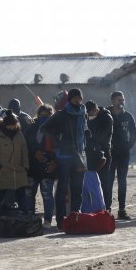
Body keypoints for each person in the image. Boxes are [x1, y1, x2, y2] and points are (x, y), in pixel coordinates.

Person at [41, 88, 88, 230]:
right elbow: (45, 128)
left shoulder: (83, 113)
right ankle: (61, 220)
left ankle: (75, 216)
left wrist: (87, 134)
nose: (78, 100)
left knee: (77, 188)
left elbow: (83, 129)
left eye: (80, 98)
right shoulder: (62, 114)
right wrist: (59, 138)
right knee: (62, 189)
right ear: (70, 99)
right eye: (75, 98)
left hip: (80, 154)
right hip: (65, 156)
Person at [0, 109, 29, 213]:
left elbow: (24, 151)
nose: (12, 127)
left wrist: (25, 167)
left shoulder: (19, 134)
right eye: (10, 125)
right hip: (2, 175)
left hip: (18, 174)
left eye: (14, 125)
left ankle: (26, 220)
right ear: (5, 125)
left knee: (22, 201)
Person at [24, 104, 57, 229]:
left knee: (47, 194)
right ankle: (31, 218)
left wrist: (55, 161)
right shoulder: (32, 127)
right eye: (42, 115)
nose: (44, 117)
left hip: (49, 167)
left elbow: (59, 146)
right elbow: (26, 143)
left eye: (47, 115)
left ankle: (47, 220)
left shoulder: (55, 128)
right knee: (29, 194)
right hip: (32, 167)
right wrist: (34, 152)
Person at [107, 91, 136, 220]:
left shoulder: (128, 116)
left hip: (123, 154)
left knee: (122, 182)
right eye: (119, 100)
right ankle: (107, 209)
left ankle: (122, 209)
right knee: (108, 182)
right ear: (113, 101)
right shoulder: (106, 114)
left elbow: (134, 134)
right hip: (109, 154)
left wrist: (128, 146)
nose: (122, 102)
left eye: (123, 100)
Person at [85, 100, 113, 205]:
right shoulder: (89, 117)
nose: (89, 116)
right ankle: (94, 205)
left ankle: (107, 206)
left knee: (104, 181)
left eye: (91, 113)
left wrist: (88, 135)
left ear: (96, 110)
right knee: (92, 181)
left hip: (103, 153)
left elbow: (99, 137)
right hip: (91, 153)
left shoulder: (106, 118)